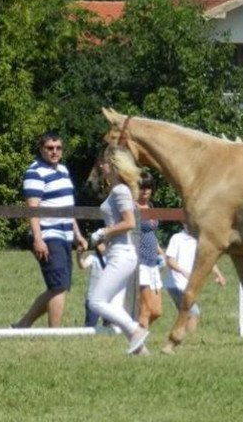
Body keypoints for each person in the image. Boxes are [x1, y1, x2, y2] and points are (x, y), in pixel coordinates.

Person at [13, 132, 88, 328]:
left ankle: (23, 324)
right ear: (41, 149)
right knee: (58, 286)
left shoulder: (63, 170)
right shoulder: (35, 172)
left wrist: (78, 235)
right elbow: (33, 209)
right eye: (50, 148)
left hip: (65, 234)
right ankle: (55, 333)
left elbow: (67, 207)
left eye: (58, 148)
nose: (55, 152)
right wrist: (38, 239)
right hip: (47, 234)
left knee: (59, 286)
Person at [88, 146, 149, 355]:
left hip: (122, 254)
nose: (101, 166)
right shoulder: (118, 190)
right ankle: (140, 350)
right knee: (114, 305)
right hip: (119, 252)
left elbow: (130, 223)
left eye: (103, 163)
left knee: (96, 301)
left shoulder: (120, 191)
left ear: (112, 165)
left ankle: (136, 330)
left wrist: (104, 232)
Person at [163, 225, 226, 337]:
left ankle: (180, 336)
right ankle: (190, 338)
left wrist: (219, 274)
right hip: (175, 284)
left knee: (185, 313)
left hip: (189, 284)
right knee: (193, 312)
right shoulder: (177, 238)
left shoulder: (199, 240)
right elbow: (170, 260)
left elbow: (206, 259)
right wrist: (183, 272)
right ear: (183, 223)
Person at [136, 172, 164, 329]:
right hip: (140, 262)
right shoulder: (132, 207)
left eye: (149, 187)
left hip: (153, 261)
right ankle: (139, 340)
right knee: (146, 309)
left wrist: (161, 252)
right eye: (142, 187)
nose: (145, 190)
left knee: (157, 311)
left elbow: (152, 233)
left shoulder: (151, 206)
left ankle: (135, 328)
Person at [75, 240, 126, 328]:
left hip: (109, 299)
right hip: (92, 297)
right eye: (99, 243)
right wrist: (78, 256)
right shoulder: (92, 257)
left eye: (104, 243)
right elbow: (82, 265)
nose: (102, 246)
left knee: (110, 326)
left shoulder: (113, 258)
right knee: (90, 325)